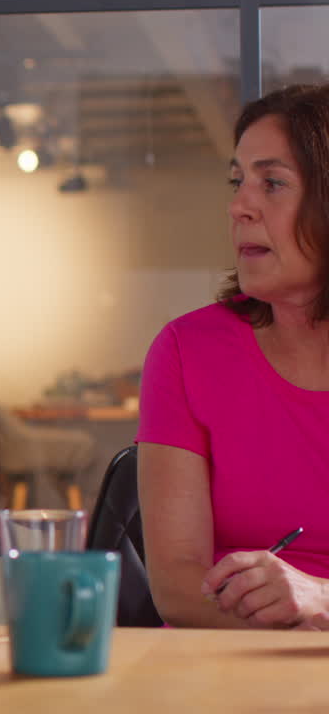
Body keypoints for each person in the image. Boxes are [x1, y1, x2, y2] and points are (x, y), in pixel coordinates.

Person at [138, 83, 329, 630]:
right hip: (226, 668)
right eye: (238, 181)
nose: (240, 206)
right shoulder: (186, 350)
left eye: (272, 183)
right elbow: (176, 587)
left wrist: (319, 598)